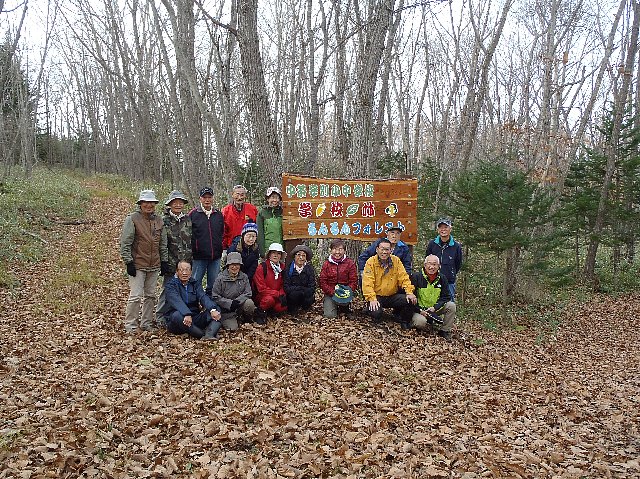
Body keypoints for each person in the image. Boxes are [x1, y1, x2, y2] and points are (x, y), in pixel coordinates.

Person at [120, 189, 168, 332]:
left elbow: (163, 243)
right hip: (138, 264)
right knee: (135, 296)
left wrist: (164, 261)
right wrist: (129, 262)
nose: (149, 205)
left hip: (154, 264)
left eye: (151, 203)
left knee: (151, 296)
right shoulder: (132, 219)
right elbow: (125, 242)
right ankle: (131, 325)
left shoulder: (159, 220)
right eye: (146, 202)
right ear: (140, 204)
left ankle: (146, 323)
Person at [361, 238, 417, 328]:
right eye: (382, 249)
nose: (384, 252)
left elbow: (404, 278)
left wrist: (409, 292)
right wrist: (372, 299)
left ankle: (403, 320)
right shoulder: (370, 262)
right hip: (377, 296)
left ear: (391, 250)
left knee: (410, 300)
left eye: (387, 249)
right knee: (376, 313)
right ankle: (371, 310)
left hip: (392, 296)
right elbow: (367, 283)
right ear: (377, 249)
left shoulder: (396, 261)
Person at [156, 190, 192, 327]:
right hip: (171, 263)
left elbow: (190, 241)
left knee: (184, 291)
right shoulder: (163, 220)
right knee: (167, 290)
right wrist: (164, 262)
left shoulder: (187, 219)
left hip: (186, 262)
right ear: (169, 204)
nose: (178, 205)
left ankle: (177, 315)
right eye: (175, 202)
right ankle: (160, 317)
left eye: (180, 202)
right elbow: (162, 243)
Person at [164, 260, 222, 340]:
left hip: (194, 317)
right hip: (178, 320)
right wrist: (186, 313)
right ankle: (201, 335)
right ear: (177, 272)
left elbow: (203, 296)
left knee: (216, 309)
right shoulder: (171, 285)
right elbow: (176, 301)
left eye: (187, 269)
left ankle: (209, 334)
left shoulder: (195, 283)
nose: (184, 273)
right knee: (176, 315)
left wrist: (212, 309)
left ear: (191, 271)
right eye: (181, 270)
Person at [410, 255, 456, 341]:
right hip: (419, 310)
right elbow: (410, 297)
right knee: (421, 323)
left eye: (435, 264)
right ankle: (415, 324)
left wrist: (435, 307)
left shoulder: (442, 278)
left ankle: (444, 331)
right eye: (429, 264)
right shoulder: (416, 277)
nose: (432, 267)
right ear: (425, 265)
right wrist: (420, 310)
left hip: (433, 309)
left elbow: (446, 297)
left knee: (451, 306)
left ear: (439, 266)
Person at [189, 186, 224, 296]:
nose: (207, 200)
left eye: (209, 197)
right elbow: (188, 234)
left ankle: (211, 306)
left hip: (215, 257)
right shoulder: (193, 214)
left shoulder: (218, 214)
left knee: (213, 285)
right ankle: (194, 306)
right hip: (199, 257)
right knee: (195, 283)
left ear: (213, 198)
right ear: (200, 199)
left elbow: (221, 232)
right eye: (204, 197)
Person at [210, 252, 256, 330]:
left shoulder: (244, 277)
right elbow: (215, 297)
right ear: (228, 265)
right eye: (232, 264)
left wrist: (237, 301)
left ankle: (246, 319)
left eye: (237, 264)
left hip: (239, 306)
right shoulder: (220, 278)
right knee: (233, 328)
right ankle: (232, 320)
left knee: (249, 303)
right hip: (226, 311)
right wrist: (229, 303)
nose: (234, 267)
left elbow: (248, 293)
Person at [319, 239, 358, 318]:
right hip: (331, 292)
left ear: (344, 250)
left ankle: (345, 308)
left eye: (340, 249)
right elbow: (322, 281)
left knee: (344, 303)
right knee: (329, 315)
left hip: (344, 292)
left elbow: (353, 280)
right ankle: (332, 306)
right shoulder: (326, 264)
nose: (337, 252)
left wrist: (347, 291)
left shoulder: (350, 263)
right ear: (331, 250)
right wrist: (332, 292)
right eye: (335, 249)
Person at [426, 217, 462, 301]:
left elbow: (458, 263)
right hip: (433, 279)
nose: (443, 230)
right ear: (438, 230)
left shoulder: (456, 246)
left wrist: (451, 272)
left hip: (449, 281)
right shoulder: (432, 244)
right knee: (432, 304)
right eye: (441, 227)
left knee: (450, 304)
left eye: (445, 227)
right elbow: (427, 260)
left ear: (450, 229)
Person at [252, 242, 287, 322]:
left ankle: (270, 312)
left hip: (276, 295)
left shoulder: (282, 268)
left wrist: (282, 294)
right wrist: (277, 294)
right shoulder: (262, 267)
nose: (276, 255)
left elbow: (283, 284)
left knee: (282, 306)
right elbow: (261, 289)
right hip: (262, 296)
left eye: (278, 253)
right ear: (269, 254)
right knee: (269, 300)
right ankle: (259, 313)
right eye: (273, 253)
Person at [221, 184, 258, 251]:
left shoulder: (252, 209)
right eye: (237, 194)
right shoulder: (226, 211)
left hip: (249, 246)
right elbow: (222, 231)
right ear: (232, 195)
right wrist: (224, 247)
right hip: (232, 246)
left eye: (242, 195)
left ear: (245, 196)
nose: (239, 197)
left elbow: (257, 227)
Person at [284, 244, 316, 314]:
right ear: (294, 257)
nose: (301, 258)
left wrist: (303, 291)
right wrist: (299, 289)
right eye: (298, 255)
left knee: (309, 298)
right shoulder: (288, 269)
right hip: (293, 296)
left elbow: (312, 287)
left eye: (303, 255)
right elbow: (286, 287)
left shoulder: (309, 269)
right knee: (293, 295)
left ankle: (305, 308)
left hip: (305, 294)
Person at [256, 186, 283, 258]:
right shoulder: (262, 213)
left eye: (277, 197)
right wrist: (262, 252)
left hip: (281, 250)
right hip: (268, 249)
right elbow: (260, 233)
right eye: (272, 197)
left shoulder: (283, 212)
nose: (275, 200)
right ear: (267, 199)